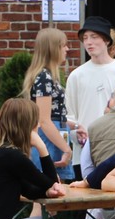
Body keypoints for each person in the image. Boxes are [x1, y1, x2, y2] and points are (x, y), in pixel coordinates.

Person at [65, 15, 115, 154]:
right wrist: (77, 134)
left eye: (94, 37)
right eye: (85, 38)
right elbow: (70, 114)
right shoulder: (77, 75)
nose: (88, 42)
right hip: (84, 149)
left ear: (106, 40)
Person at [22, 27, 76, 181]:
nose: (67, 48)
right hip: (49, 137)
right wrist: (66, 149)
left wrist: (74, 126)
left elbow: (51, 116)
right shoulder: (44, 77)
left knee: (52, 188)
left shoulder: (47, 76)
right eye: (63, 45)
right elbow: (44, 120)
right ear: (53, 48)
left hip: (54, 134)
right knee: (48, 188)